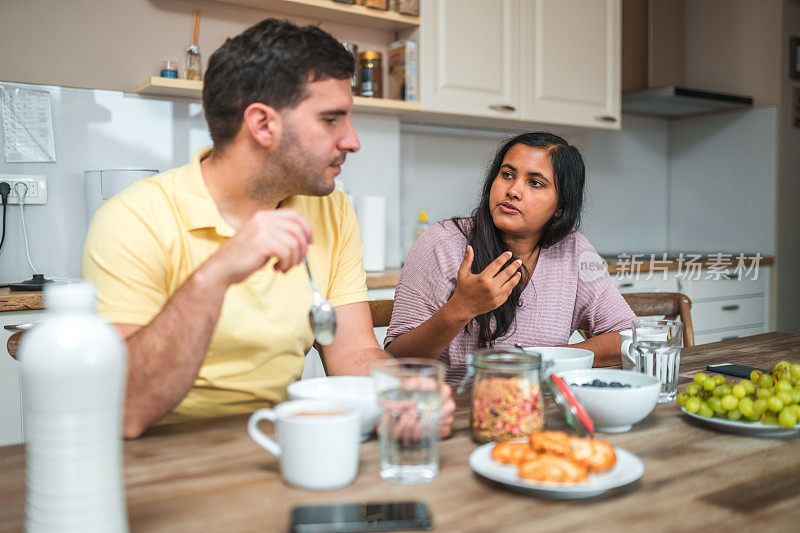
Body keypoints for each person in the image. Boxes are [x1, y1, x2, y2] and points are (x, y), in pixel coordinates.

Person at [82, 18, 454, 439]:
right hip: (158, 459)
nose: (353, 141)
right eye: (331, 119)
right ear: (262, 125)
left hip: (276, 442)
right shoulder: (133, 218)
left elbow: (352, 354)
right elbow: (128, 410)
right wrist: (215, 274)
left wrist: (405, 391)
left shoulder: (332, 210)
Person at [384, 132, 635, 384]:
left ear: (560, 206)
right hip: (454, 411)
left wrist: (549, 359)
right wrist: (461, 308)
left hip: (536, 409)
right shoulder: (442, 242)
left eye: (535, 183)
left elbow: (628, 337)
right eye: (507, 175)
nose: (513, 190)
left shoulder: (573, 249)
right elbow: (395, 361)